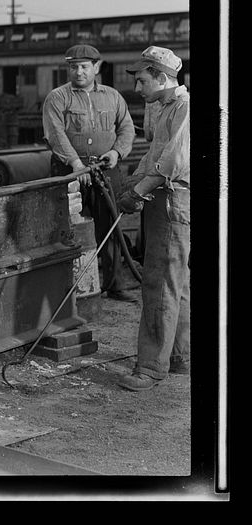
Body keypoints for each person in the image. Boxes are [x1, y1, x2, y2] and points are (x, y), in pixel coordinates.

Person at [115, 46, 189, 392]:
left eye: (143, 80)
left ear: (162, 77)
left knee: (158, 283)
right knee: (178, 284)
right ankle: (179, 357)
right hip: (167, 198)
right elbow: (155, 155)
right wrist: (134, 181)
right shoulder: (165, 107)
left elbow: (172, 163)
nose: (138, 87)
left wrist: (138, 191)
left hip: (173, 201)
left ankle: (149, 368)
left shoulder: (185, 109)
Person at [42, 43, 138, 300]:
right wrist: (75, 164)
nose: (78, 72)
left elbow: (127, 129)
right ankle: (67, 290)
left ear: (96, 67)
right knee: (66, 228)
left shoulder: (113, 96)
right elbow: (55, 134)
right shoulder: (58, 97)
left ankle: (114, 285)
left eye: (84, 67)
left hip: (106, 170)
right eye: (73, 67)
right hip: (69, 171)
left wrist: (117, 152)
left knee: (110, 228)